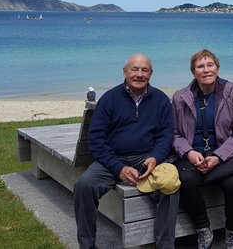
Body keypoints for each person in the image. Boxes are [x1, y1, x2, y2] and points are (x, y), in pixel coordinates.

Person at [74, 54, 178, 249]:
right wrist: (118, 168)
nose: (139, 74)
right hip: (112, 159)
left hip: (146, 159)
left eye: (144, 70)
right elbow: (96, 140)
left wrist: (155, 158)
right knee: (84, 185)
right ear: (125, 72)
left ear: (151, 73)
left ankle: (165, 245)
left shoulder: (160, 100)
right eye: (134, 69)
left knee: (170, 186)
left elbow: (166, 136)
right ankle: (87, 245)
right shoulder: (109, 99)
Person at [171, 49, 233, 249]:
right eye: (200, 66)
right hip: (193, 156)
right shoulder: (180, 97)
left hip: (228, 154)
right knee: (185, 181)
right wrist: (189, 152)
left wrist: (218, 156)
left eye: (210, 65)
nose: (206, 70)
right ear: (194, 72)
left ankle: (232, 233)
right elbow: (173, 133)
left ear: (217, 68)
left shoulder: (231, 91)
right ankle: (204, 230)